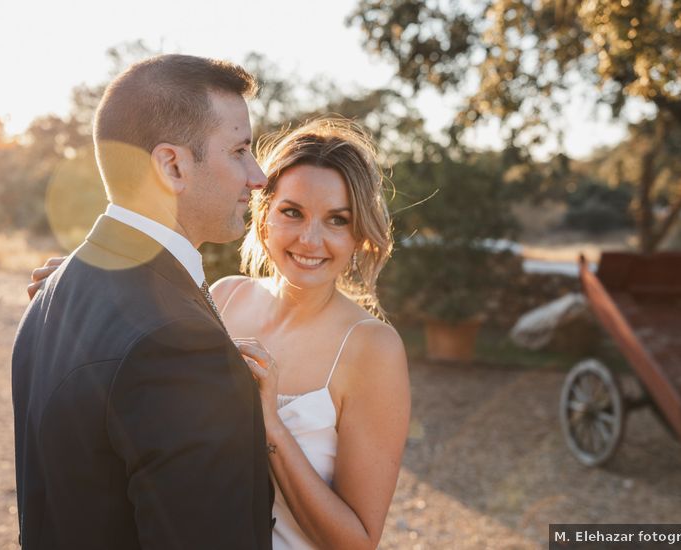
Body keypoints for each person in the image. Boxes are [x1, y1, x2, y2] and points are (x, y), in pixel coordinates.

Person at [30, 118, 411, 549]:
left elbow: (357, 541)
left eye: (337, 220)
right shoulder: (226, 296)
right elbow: (143, 348)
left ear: (360, 234)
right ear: (264, 214)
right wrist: (82, 285)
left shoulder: (372, 348)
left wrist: (271, 427)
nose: (310, 239)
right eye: (292, 212)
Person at [12, 54, 274, 549]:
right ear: (172, 164)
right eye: (240, 150)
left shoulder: (53, 288)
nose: (257, 177)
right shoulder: (180, 345)